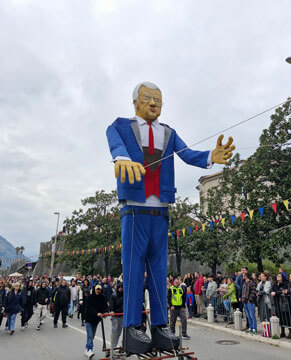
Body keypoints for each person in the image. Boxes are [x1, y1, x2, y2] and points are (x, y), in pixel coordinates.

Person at [105, 82, 234, 351]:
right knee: (132, 270)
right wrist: (120, 158)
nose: (153, 104)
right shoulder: (120, 126)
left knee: (158, 270)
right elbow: (115, 143)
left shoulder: (168, 132)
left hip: (161, 210)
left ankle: (160, 327)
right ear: (135, 103)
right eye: (148, 99)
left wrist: (211, 156)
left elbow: (187, 154)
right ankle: (131, 328)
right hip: (134, 209)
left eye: (158, 101)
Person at [84, 285, 109, 359]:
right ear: (94, 290)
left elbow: (105, 307)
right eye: (97, 289)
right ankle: (89, 350)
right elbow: (88, 307)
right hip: (89, 319)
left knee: (92, 336)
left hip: (96, 320)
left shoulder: (102, 297)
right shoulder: (90, 297)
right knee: (90, 335)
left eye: (99, 289)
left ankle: (86, 348)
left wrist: (105, 312)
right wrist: (96, 313)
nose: (98, 291)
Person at [271, 273, 291, 338]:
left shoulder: (285, 284)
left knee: (287, 317)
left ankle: (290, 332)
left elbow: (283, 291)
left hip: (284, 302)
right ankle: (282, 331)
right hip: (277, 302)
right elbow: (272, 290)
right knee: (280, 317)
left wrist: (276, 293)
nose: (278, 277)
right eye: (277, 276)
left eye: (279, 276)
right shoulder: (275, 284)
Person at [109, 283, 124, 353]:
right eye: (119, 288)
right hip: (115, 316)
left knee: (119, 332)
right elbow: (111, 305)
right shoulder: (114, 295)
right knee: (114, 331)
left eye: (122, 288)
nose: (121, 289)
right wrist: (112, 311)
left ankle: (115, 346)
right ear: (117, 288)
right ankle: (113, 348)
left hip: (121, 316)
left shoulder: (124, 295)